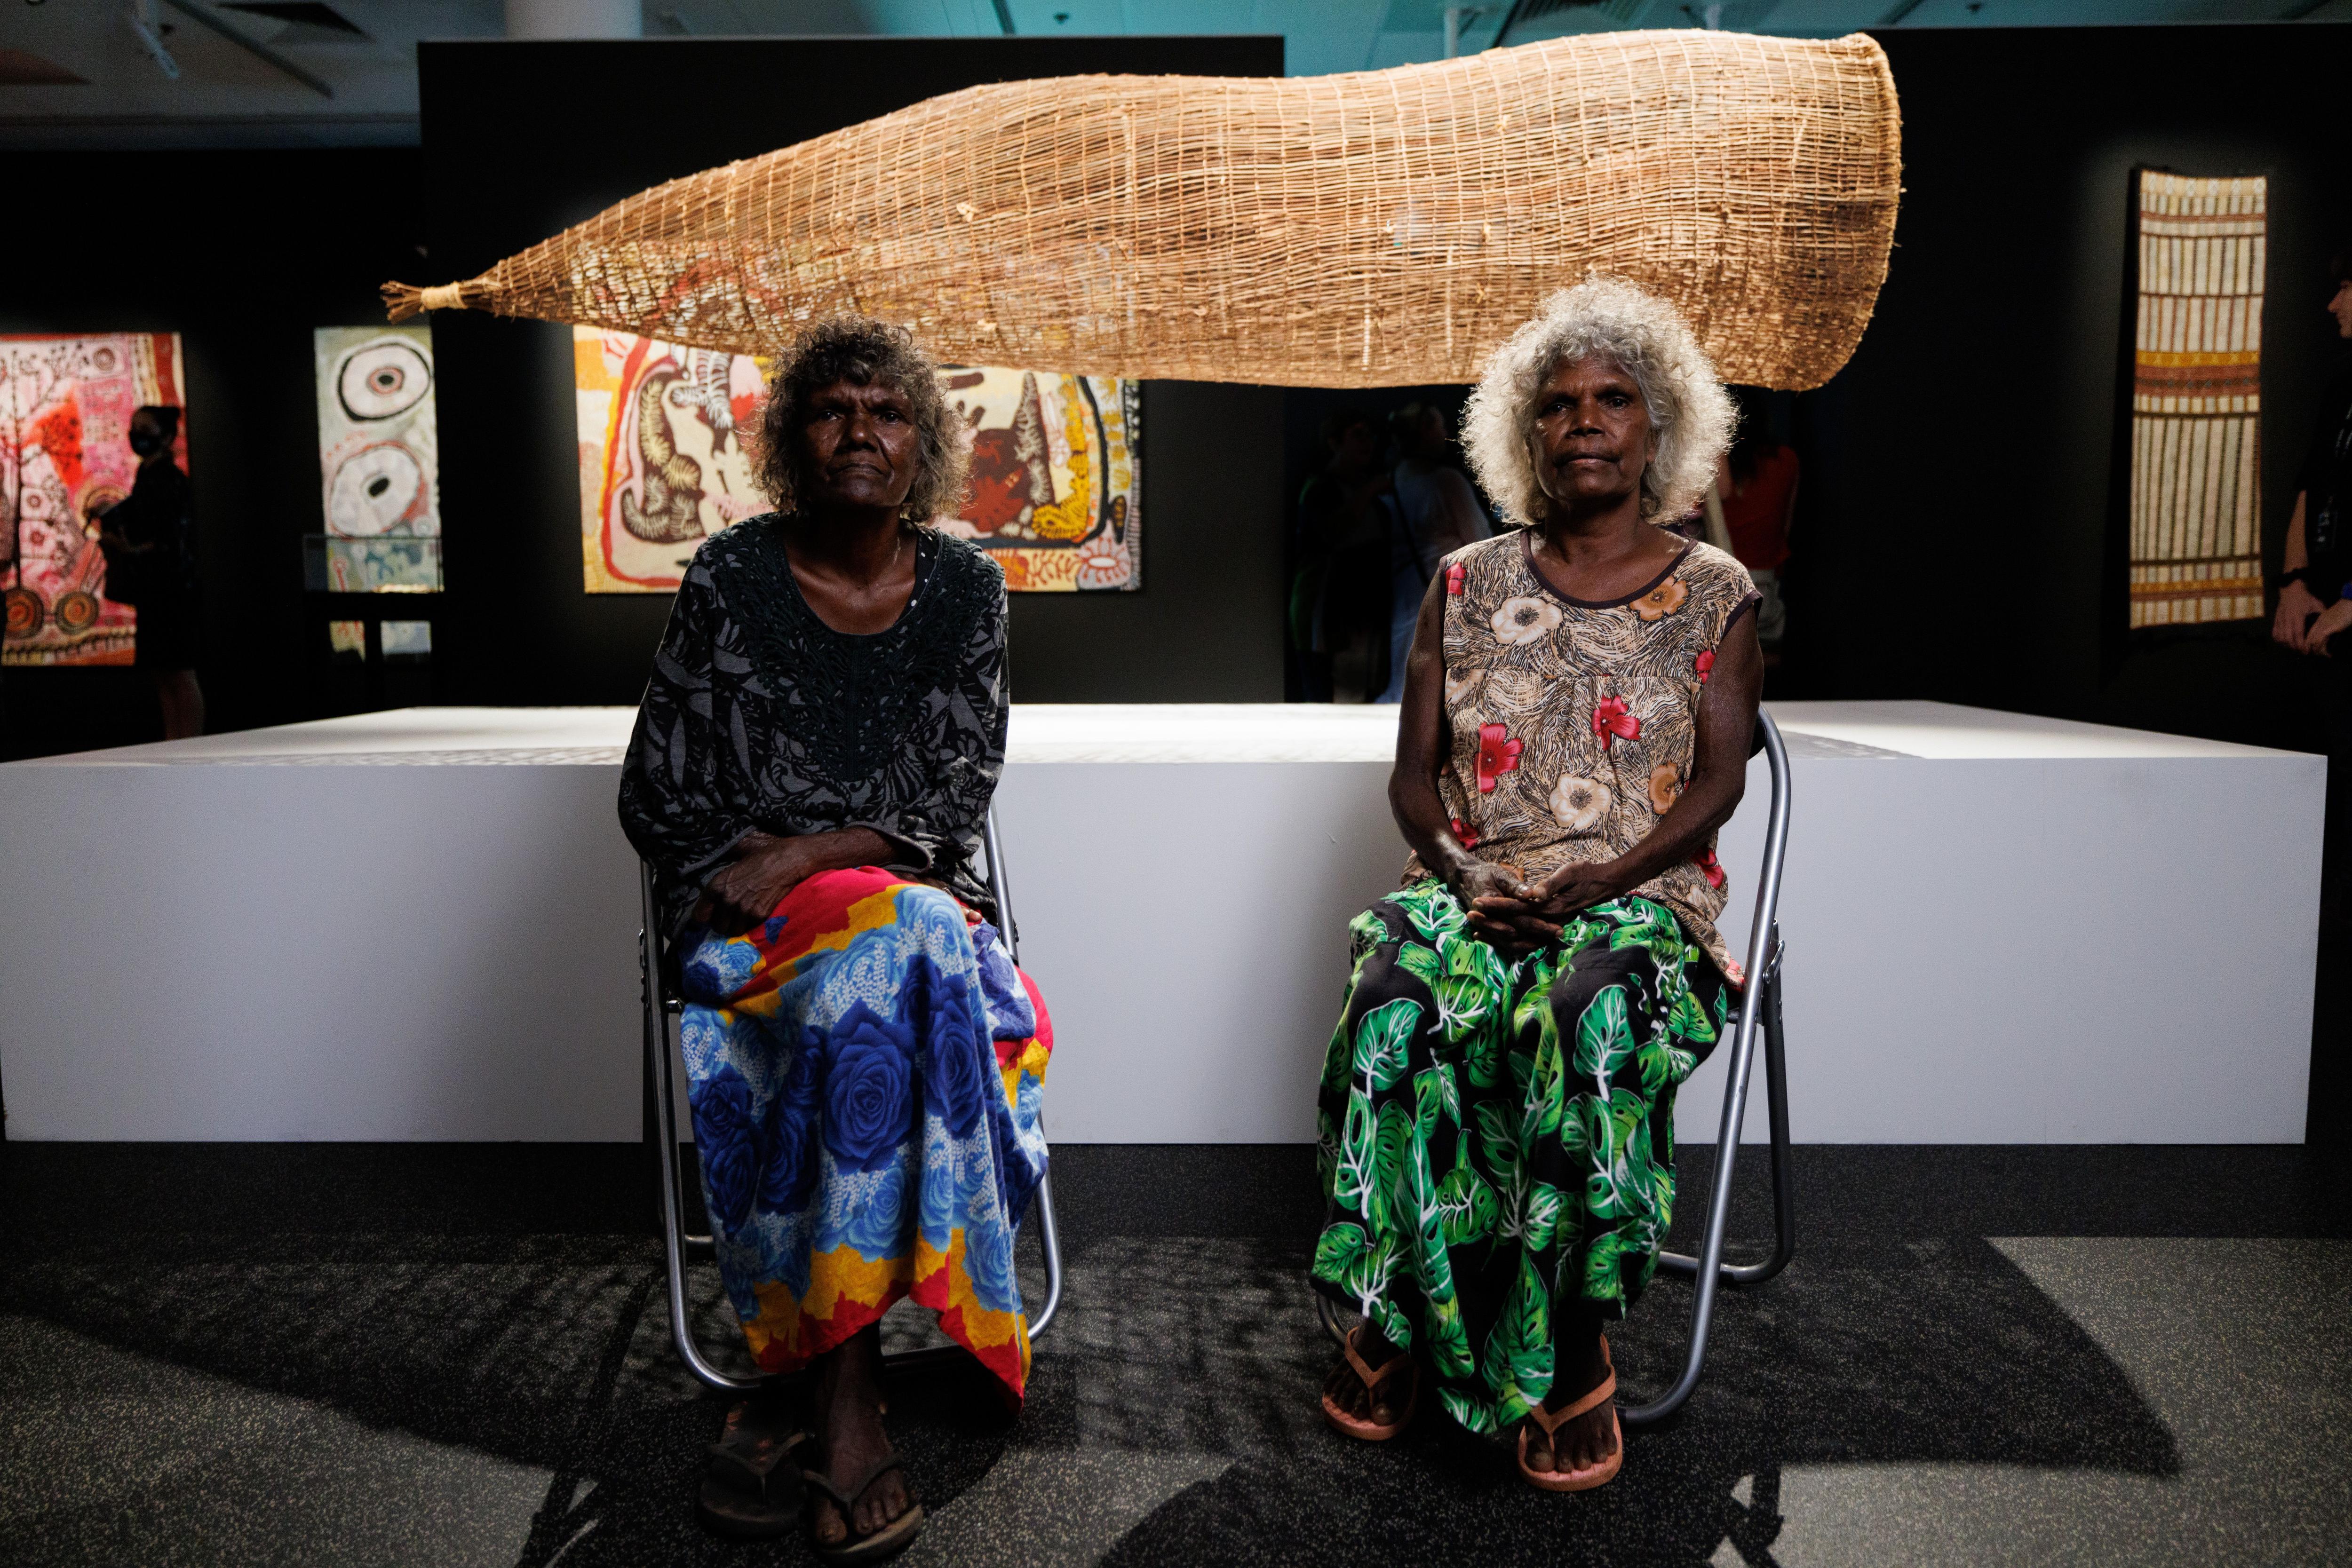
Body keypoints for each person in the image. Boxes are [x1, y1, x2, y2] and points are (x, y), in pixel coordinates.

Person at [1310, 277, 1759, 1493]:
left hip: (1640, 898)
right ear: (1527, 432)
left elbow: (1718, 784)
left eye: (1615, 399)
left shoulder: (1715, 591)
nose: (1586, 422)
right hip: (1473, 882)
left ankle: (1572, 1339)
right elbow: (1412, 781)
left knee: (1584, 1014)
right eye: (1558, 405)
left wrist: (1603, 877)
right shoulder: (1464, 582)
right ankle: (1404, 1305)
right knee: (1399, 997)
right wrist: (1461, 873)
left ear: (1660, 426)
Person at [618, 317, 1051, 1562]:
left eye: (888, 410)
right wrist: (771, 875)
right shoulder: (727, 579)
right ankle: (853, 1400)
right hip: (752, 930)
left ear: (925, 439)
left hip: (896, 908)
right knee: (900, 955)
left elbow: (951, 798)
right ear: (793, 438)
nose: (862, 429)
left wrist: (811, 848)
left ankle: (811, 1371)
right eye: (834, 409)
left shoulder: (967, 588)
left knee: (903, 943)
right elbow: (660, 791)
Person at [2272, 250, 2352, 912]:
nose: (2334, 305)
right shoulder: (2342, 387)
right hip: (2316, 621)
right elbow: (2307, 486)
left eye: (2348, 289)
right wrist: (2294, 581)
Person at [96, 405, 203, 738]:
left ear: (167, 437)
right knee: (163, 673)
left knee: (180, 673)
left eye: (146, 429)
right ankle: (176, 743)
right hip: (155, 592)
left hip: (173, 591)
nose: (138, 435)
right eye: (134, 427)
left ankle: (191, 746)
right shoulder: (147, 479)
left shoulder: (169, 481)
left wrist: (132, 548)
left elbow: (171, 540)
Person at [1376, 401, 1493, 703]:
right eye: (1440, 426)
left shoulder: (1394, 479)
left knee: (1405, 690)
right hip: (1448, 600)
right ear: (1426, 431)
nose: (1446, 433)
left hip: (1404, 602)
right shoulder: (1446, 482)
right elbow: (1481, 544)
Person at [1293, 406, 1394, 702]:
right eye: (1357, 435)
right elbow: (1332, 532)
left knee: (1361, 697)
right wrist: (1369, 491)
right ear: (1335, 442)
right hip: (1326, 613)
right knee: (1330, 700)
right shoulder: (1319, 489)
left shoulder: (1373, 493)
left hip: (1363, 613)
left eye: (1370, 435)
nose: (1367, 442)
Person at [1713, 387, 1798, 655]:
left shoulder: (1716, 461)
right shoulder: (1788, 459)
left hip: (1722, 586)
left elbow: (1720, 495)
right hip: (1768, 587)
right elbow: (1786, 527)